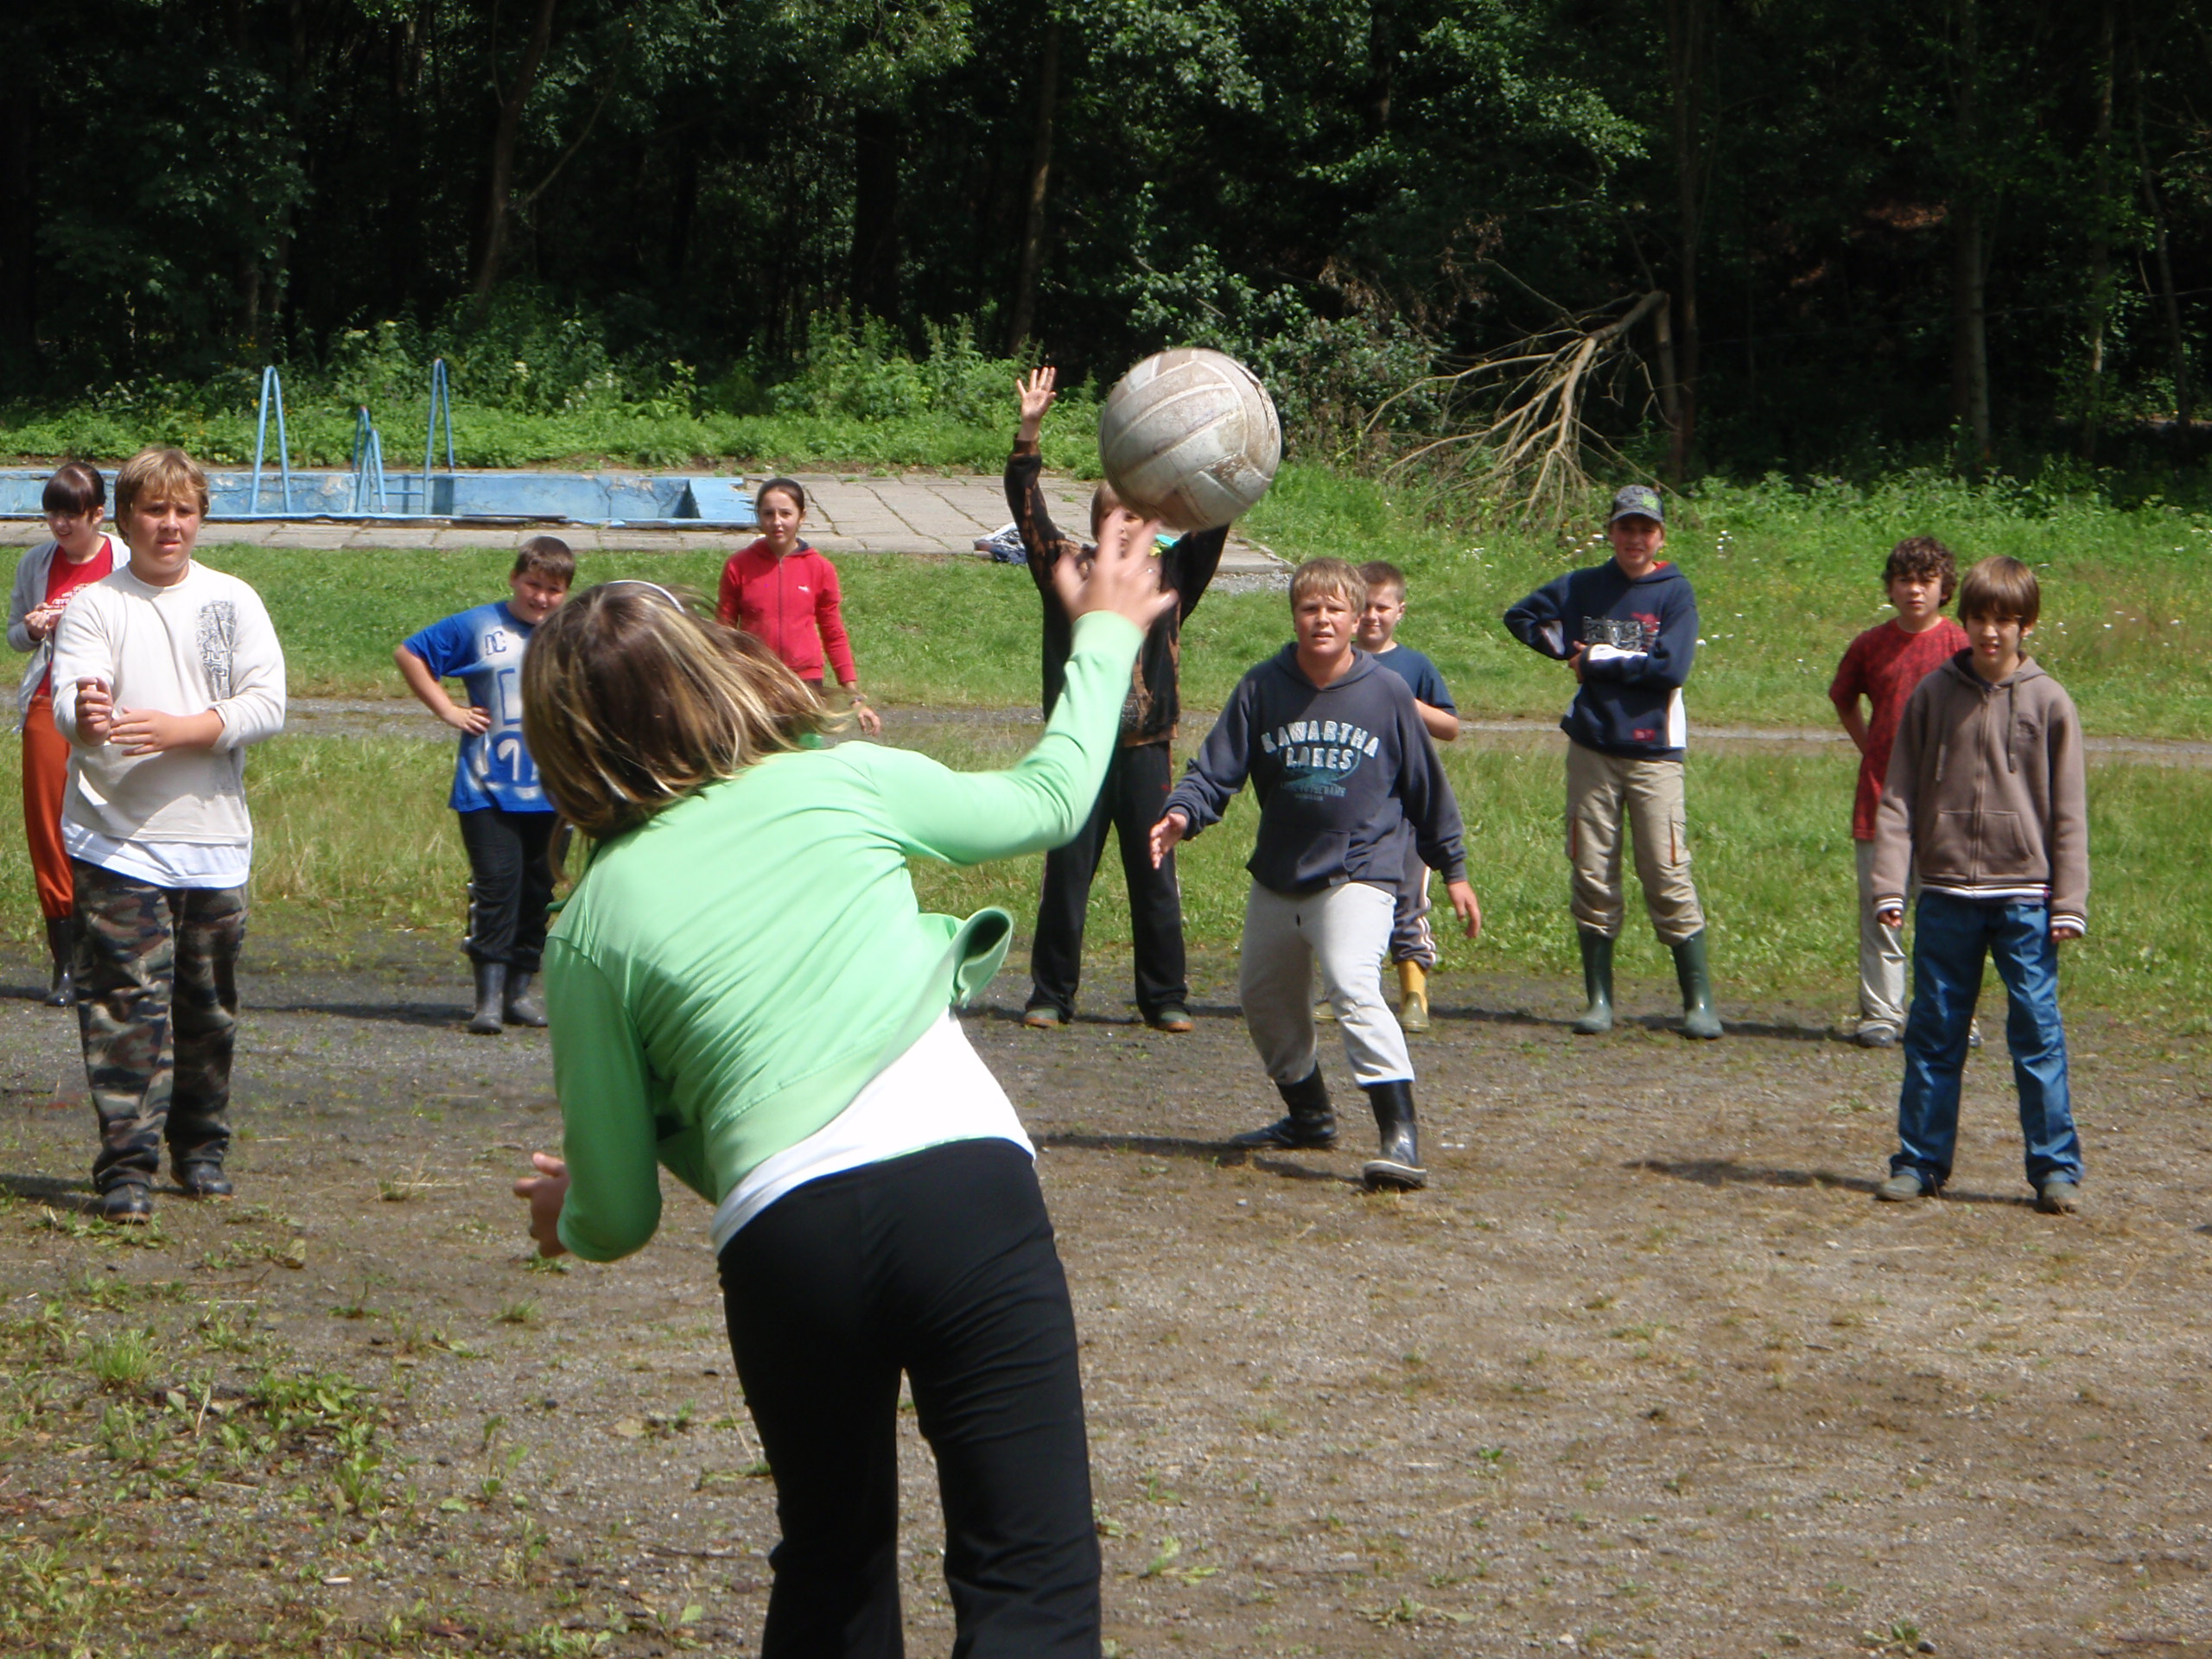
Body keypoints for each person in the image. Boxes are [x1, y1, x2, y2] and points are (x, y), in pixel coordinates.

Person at [508, 515, 1175, 1658]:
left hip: (788, 1242)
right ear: (715, 671)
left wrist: (566, 1213)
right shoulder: (841, 782)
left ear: (565, 743)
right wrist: (1105, 634)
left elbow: (617, 1216)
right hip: (962, 1188)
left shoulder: (589, 927)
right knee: (1030, 1572)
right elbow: (1055, 799)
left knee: (832, 1562)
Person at [1149, 558, 1479, 1192]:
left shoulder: (1387, 693)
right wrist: (1182, 814)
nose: (1321, 620)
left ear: (1357, 620)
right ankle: (1309, 1116)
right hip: (1281, 871)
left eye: (1335, 609)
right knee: (1264, 999)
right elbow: (1215, 770)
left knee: (1353, 985)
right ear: (1294, 616)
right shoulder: (1262, 687)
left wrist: (1453, 868)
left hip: (1360, 870)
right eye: (1309, 608)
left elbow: (1426, 787)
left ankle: (1400, 1136)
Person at [50, 448, 286, 1224]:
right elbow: (72, 696)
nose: (170, 524)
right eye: (154, 510)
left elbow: (267, 704)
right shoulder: (96, 605)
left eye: (184, 510)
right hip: (115, 842)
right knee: (125, 1008)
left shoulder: (233, 600)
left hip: (213, 843)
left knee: (207, 1010)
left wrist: (185, 730)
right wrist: (86, 717)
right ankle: (126, 1168)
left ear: (201, 518)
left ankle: (201, 1149)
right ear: (125, 520)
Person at [1007, 365, 1225, 1033]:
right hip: (1080, 748)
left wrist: (1216, 450)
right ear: (1097, 523)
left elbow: (1215, 522)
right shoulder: (1066, 569)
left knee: (1155, 873)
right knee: (1067, 873)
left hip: (1145, 750)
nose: (1125, 527)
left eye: (1137, 516)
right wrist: (1029, 434)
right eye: (1113, 515)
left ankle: (1165, 997)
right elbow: (1027, 508)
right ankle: (1051, 994)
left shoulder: (1172, 577)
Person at [1871, 556, 2088, 1213]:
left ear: (2027, 625)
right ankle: (1919, 1162)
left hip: (2026, 899)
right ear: (1963, 620)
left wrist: (2068, 901)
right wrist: (1890, 885)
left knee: (2037, 1035)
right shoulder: (1933, 695)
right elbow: (1899, 795)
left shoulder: (2050, 701)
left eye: (2005, 620)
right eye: (1980, 618)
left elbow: (2069, 811)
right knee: (1933, 1033)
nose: (1991, 632)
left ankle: (2054, 1170)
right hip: (1944, 896)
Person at [1502, 483, 1721, 1039]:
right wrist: (1563, 651)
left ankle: (1698, 1002)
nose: (1635, 538)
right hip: (1592, 748)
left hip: (1654, 752)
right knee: (1592, 871)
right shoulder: (1583, 586)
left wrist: (1596, 660)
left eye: (1646, 529)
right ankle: (1598, 1000)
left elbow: (1670, 669)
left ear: (1661, 536)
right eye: (1626, 527)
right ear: (1612, 532)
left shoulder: (1675, 593)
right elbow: (1520, 616)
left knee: (1666, 872)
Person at [396, 537, 573, 1035]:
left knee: (539, 890)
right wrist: (448, 710)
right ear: (514, 579)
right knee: (497, 887)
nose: (541, 598)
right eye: (533, 584)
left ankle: (520, 992)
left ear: (566, 593)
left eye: (554, 590)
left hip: (555, 791)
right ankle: (488, 1000)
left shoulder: (575, 634)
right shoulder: (479, 625)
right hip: (487, 786)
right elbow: (410, 653)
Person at [1827, 537, 1971, 1049]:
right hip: (1880, 798)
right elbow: (1843, 697)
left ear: (1944, 589)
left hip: (1946, 804)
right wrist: (1870, 746)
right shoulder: (1870, 645)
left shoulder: (1960, 645)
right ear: (1890, 588)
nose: (1915, 590)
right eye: (1905, 580)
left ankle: (1949, 1012)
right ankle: (1882, 1013)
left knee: (1945, 913)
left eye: (1926, 581)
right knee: (1881, 911)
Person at [9, 462, 124, 1007]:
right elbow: (13, 635)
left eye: (71, 516)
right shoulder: (36, 563)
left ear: (98, 514)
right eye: (52, 514)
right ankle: (67, 964)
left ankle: (115, 950)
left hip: (113, 699)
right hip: (47, 699)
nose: (60, 525)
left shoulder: (122, 559)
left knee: (113, 814)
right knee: (48, 825)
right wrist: (32, 629)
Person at [1340, 558, 1459, 1033]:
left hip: (1407, 806)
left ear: (1400, 611)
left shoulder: (1415, 666)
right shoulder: (1337, 661)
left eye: (1382, 607)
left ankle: (1414, 993)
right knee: (1345, 899)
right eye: (1365, 607)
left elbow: (1450, 726)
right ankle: (1344, 991)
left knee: (1409, 898)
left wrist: (1403, 700)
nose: (1372, 616)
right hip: (1352, 803)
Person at [716, 477, 882, 736]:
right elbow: (722, 631)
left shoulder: (820, 568)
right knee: (758, 753)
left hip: (805, 683)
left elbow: (833, 633)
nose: (777, 522)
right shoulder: (738, 566)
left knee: (804, 753)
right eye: (768, 514)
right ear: (758, 515)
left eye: (785, 513)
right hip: (755, 678)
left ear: (801, 517)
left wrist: (853, 695)